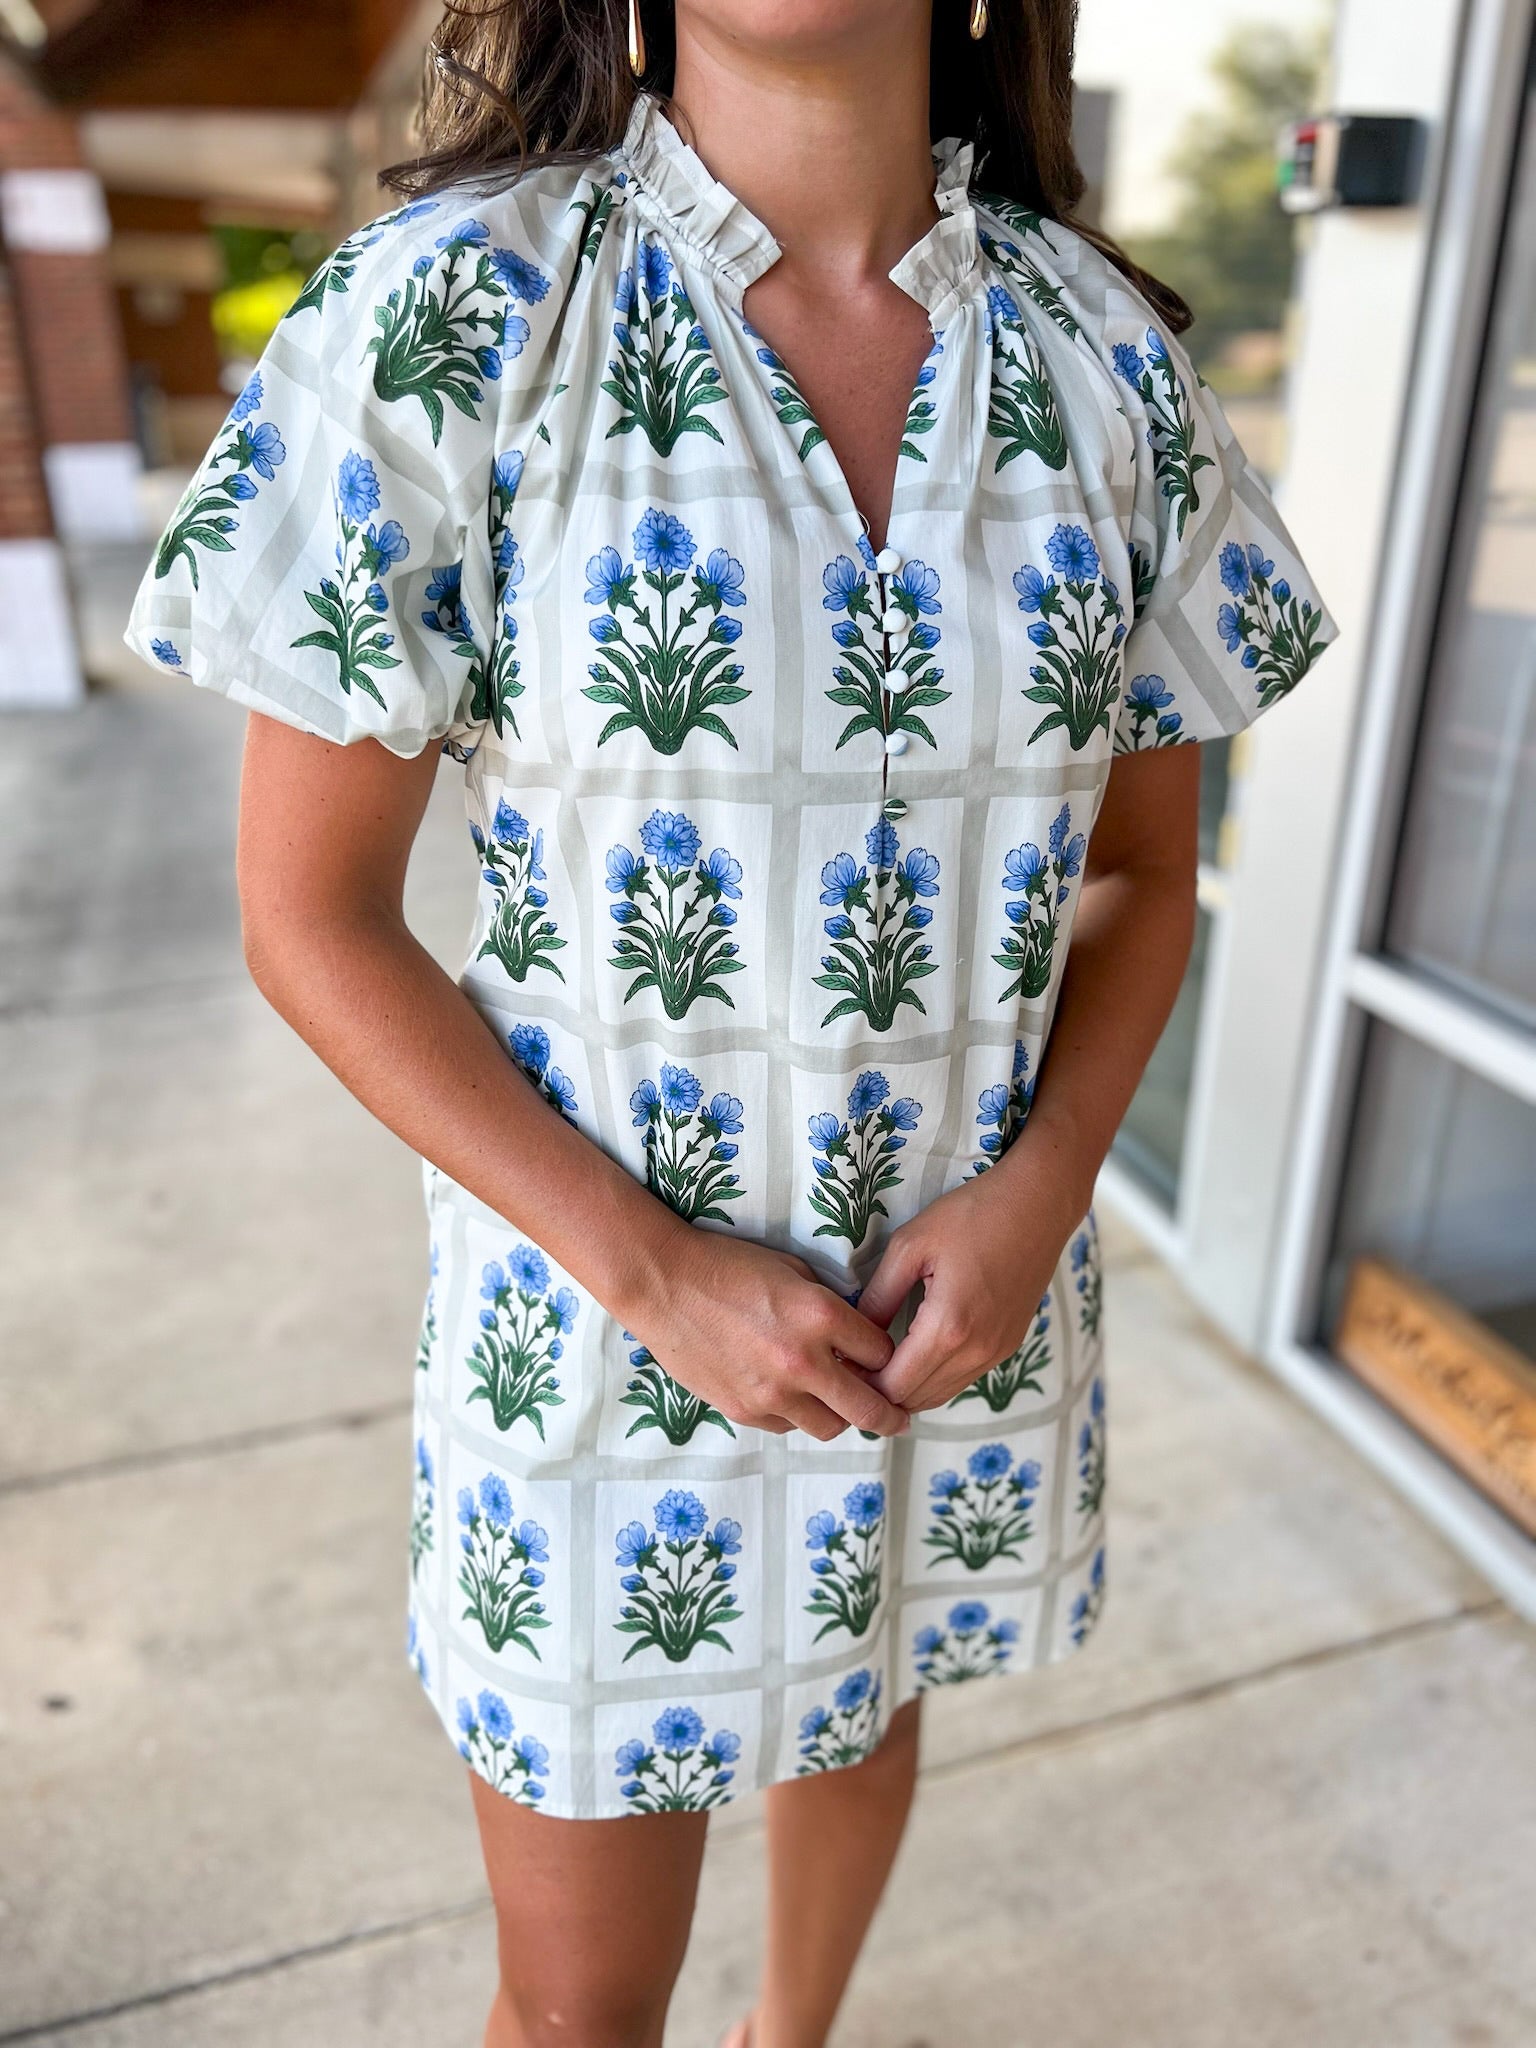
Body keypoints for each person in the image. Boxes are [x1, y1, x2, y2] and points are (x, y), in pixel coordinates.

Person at [126, 2, 1337, 2042]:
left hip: (947, 1323)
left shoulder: (1100, 355)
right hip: (593, 1358)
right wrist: (661, 1271)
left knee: (858, 1710)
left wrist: (1045, 1193)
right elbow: (309, 917)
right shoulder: (458, 318)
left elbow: (1142, 873)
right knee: (580, 2007)